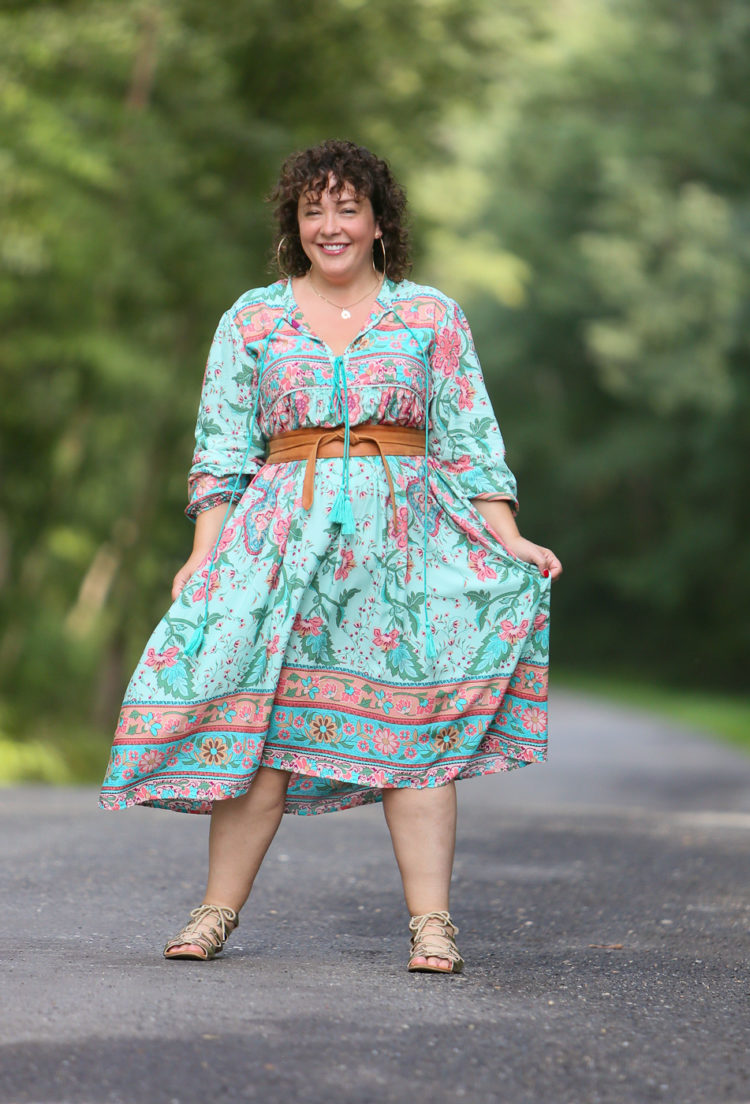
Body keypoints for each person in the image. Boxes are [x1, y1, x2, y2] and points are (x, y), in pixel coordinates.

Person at [99, 139, 562, 973]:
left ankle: (432, 927)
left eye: (348, 208)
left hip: (403, 549)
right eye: (314, 210)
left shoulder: (430, 317)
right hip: (277, 547)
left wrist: (507, 534)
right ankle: (213, 914)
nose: (331, 225)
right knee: (262, 731)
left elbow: (468, 439)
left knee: (413, 730)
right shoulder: (251, 319)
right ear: (295, 225)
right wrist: (205, 552)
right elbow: (221, 448)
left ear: (380, 223)